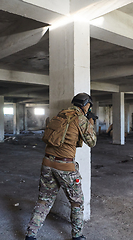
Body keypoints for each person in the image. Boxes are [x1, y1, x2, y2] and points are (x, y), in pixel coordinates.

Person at [25, 93, 97, 240]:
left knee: (44, 200)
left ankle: (30, 235)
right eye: (89, 106)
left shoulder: (60, 115)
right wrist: (90, 124)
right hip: (65, 167)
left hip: (47, 163)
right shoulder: (81, 119)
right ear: (85, 105)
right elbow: (92, 142)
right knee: (77, 202)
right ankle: (77, 236)